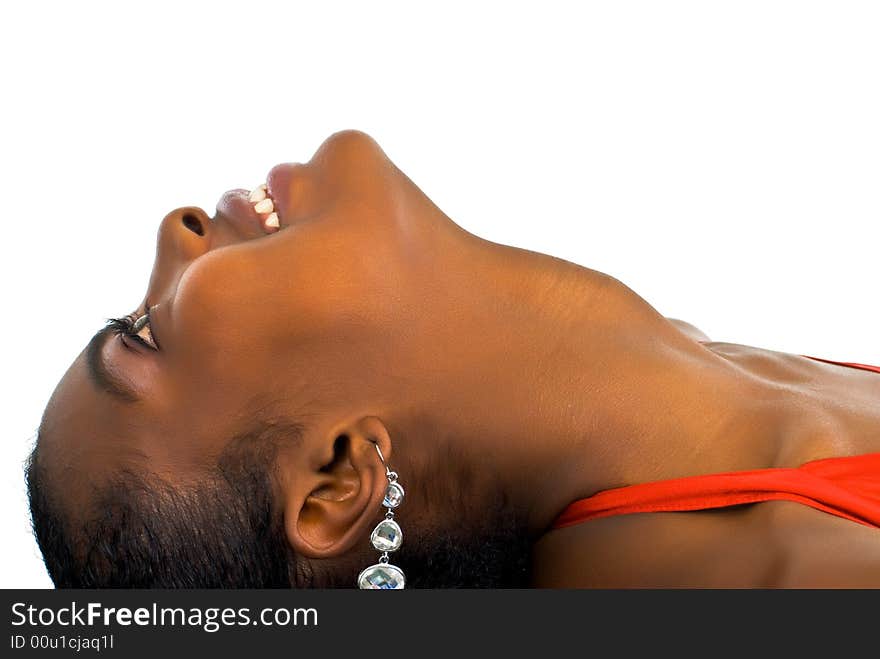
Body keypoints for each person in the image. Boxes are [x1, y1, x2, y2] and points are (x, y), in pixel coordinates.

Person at [26, 129, 880, 589]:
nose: (176, 231)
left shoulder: (697, 380)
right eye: (144, 335)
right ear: (335, 478)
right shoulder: (786, 579)